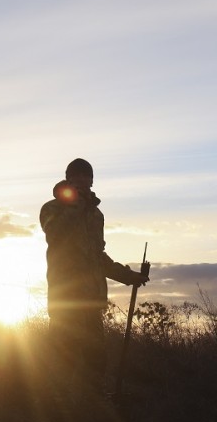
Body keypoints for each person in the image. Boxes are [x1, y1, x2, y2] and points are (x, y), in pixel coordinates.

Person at [39, 158, 150, 390]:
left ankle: (93, 413)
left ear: (91, 180)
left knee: (95, 363)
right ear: (68, 178)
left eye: (85, 176)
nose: (81, 180)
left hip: (92, 302)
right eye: (76, 176)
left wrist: (129, 277)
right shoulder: (52, 208)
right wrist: (74, 204)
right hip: (65, 300)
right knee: (62, 364)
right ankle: (55, 414)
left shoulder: (96, 215)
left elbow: (98, 256)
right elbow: (55, 237)